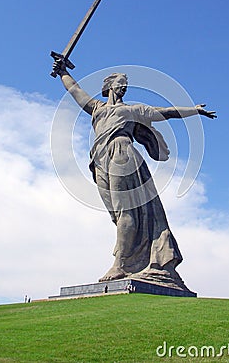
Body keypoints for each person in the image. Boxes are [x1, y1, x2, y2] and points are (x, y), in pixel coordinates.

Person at [53, 61, 216, 288]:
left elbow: (165, 113)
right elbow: (75, 90)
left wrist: (193, 111)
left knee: (125, 209)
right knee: (117, 215)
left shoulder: (133, 110)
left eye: (126, 85)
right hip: (99, 159)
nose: (124, 88)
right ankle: (132, 259)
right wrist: (63, 72)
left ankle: (120, 264)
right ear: (109, 86)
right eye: (121, 84)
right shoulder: (98, 109)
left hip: (123, 154)